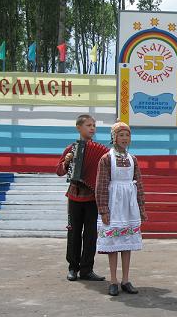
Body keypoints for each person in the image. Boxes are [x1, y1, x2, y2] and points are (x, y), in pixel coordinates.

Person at [96, 122, 147, 296]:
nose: (125, 138)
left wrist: (141, 207)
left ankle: (125, 279)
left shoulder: (133, 159)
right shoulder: (106, 159)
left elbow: (138, 184)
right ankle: (113, 280)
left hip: (129, 205)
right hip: (113, 204)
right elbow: (101, 185)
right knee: (113, 244)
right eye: (121, 135)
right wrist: (103, 209)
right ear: (114, 137)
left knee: (127, 243)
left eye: (127, 135)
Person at [56, 114, 105, 282]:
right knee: (74, 232)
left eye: (94, 125)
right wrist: (67, 162)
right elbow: (59, 172)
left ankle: (87, 269)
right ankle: (72, 267)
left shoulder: (102, 152)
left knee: (91, 235)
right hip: (75, 196)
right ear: (79, 127)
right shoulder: (71, 149)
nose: (92, 128)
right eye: (88, 125)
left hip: (92, 198)